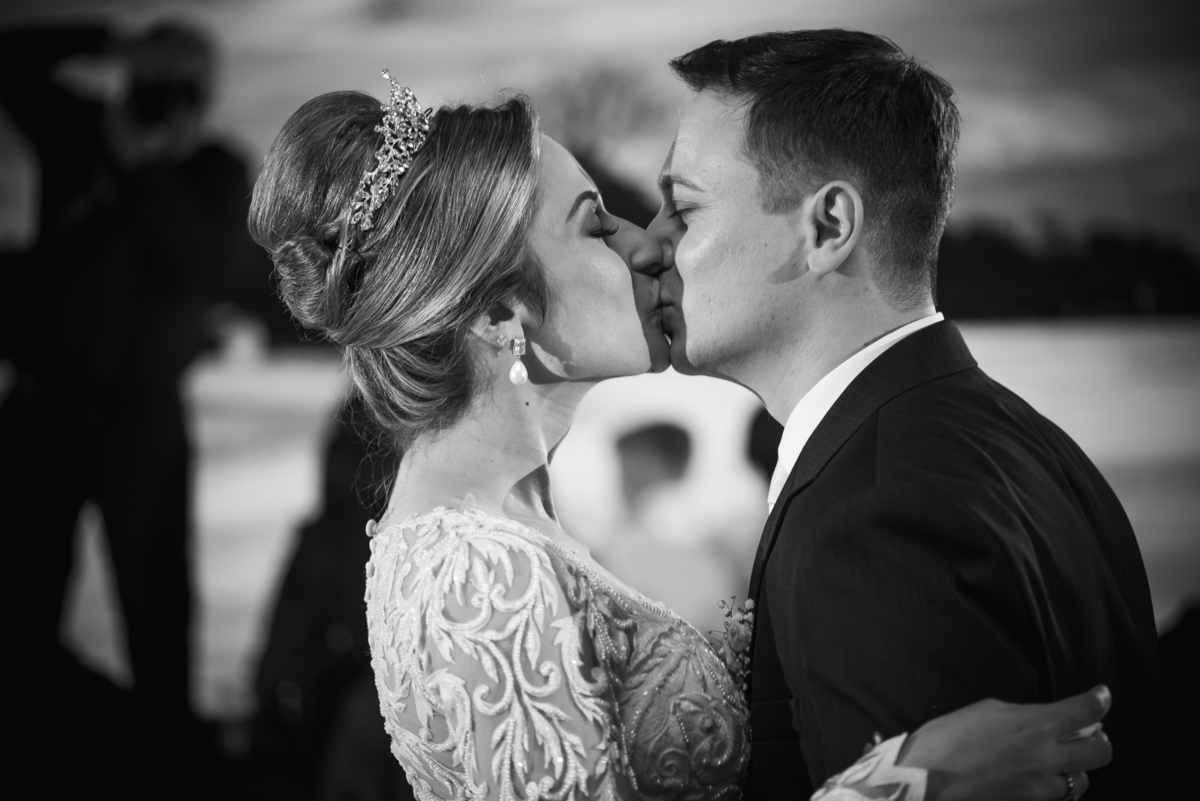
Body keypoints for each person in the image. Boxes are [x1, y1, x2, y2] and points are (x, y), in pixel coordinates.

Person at [249, 73, 1113, 800]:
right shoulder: (479, 575)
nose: (647, 244)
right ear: (500, 311)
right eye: (595, 225)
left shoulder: (504, 525)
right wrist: (908, 781)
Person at [638, 30, 1161, 800]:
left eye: (684, 209)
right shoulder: (1038, 446)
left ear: (827, 227)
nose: (649, 247)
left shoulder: (874, 515)